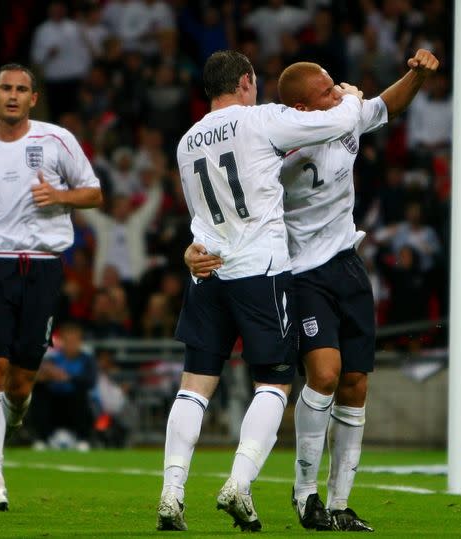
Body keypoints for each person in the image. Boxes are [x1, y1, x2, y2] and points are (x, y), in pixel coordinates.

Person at [186, 50, 440, 532]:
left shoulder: (344, 119)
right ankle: (306, 495)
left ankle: (341, 503)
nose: (338, 90)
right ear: (303, 109)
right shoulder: (277, 148)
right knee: (324, 373)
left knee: (356, 383)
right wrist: (193, 248)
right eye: (326, 89)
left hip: (346, 264)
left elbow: (387, 105)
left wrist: (417, 74)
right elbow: (225, 198)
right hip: (299, 272)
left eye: (333, 84)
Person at [157, 49, 364, 532]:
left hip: (207, 271)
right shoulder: (262, 120)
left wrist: (192, 252)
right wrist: (351, 98)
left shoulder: (187, 142)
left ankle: (171, 491)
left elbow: (197, 214)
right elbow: (333, 124)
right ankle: (239, 483)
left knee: (194, 385)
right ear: (247, 81)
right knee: (273, 382)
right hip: (261, 270)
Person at [0, 63, 102, 512]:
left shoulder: (56, 140)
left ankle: (15, 414)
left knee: (19, 383)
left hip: (41, 268)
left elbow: (93, 193)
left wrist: (59, 196)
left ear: (33, 98)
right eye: (6, 88)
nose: (13, 96)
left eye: (21, 89)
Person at [28, 322, 97, 450]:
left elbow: (90, 381)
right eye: (68, 341)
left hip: (75, 403)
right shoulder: (52, 358)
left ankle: (83, 439)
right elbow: (36, 377)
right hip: (54, 402)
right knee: (39, 394)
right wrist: (48, 375)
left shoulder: (86, 359)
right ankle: (42, 438)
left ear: (80, 342)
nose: (71, 345)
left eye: (74, 341)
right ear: (62, 341)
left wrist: (68, 377)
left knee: (82, 396)